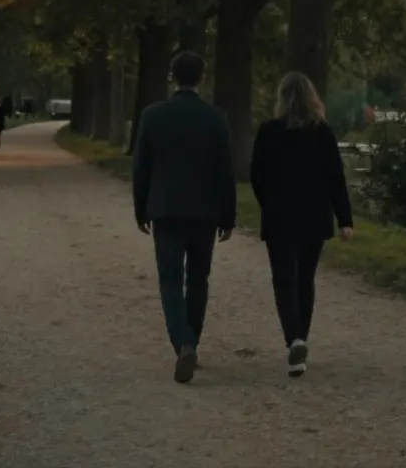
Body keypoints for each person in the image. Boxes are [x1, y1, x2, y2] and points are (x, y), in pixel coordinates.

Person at [132, 51, 236, 384]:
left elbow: (141, 168)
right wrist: (228, 216)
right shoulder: (216, 118)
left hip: (166, 210)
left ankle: (184, 342)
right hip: (205, 212)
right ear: (202, 77)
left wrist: (140, 207)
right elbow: (225, 171)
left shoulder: (153, 115)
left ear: (171, 76)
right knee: (199, 279)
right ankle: (192, 342)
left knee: (170, 280)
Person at [250, 71, 353, 378]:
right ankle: (301, 339)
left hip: (279, 214)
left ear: (281, 98)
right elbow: (336, 178)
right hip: (314, 215)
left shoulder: (269, 131)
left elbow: (257, 175)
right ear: (313, 98)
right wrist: (344, 219)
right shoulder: (322, 133)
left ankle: (293, 339)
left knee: (283, 280)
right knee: (305, 278)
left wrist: (267, 202)